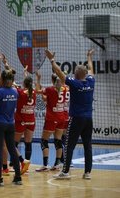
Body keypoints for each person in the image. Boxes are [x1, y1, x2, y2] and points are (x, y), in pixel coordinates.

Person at [46, 49, 95, 180]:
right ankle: (87, 173)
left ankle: (66, 171)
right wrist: (89, 56)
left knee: (69, 144)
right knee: (88, 145)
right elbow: (91, 69)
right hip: (88, 119)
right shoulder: (91, 82)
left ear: (76, 74)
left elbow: (58, 72)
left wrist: (51, 60)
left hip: (76, 119)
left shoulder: (74, 84)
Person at [0, 55, 22, 186]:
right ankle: (18, 177)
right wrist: (5, 64)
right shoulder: (15, 91)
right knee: (12, 148)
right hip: (10, 123)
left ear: (2, 79)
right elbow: (8, 77)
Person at [35, 70, 69, 172]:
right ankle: (57, 164)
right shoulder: (66, 89)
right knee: (58, 140)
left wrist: (38, 78)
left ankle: (45, 165)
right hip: (62, 117)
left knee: (44, 141)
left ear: (52, 80)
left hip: (52, 118)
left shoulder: (50, 89)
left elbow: (37, 91)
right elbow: (46, 98)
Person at [14, 67, 39, 175]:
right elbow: (28, 84)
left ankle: (21, 162)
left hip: (21, 121)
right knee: (28, 143)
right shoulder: (33, 92)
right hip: (31, 121)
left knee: (13, 144)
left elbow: (13, 84)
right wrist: (25, 73)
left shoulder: (20, 92)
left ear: (24, 83)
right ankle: (26, 168)